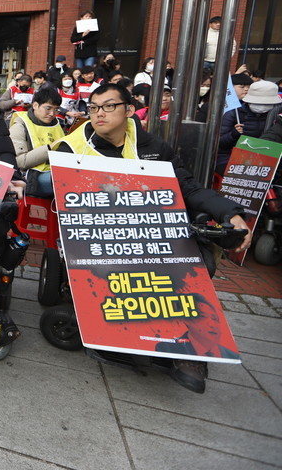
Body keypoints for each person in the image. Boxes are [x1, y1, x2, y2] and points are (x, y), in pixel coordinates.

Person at [54, 83, 250, 393]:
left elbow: (189, 188)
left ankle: (185, 349)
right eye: (93, 108)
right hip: (101, 236)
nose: (99, 113)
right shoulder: (72, 147)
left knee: (198, 262)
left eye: (108, 106)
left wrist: (231, 212)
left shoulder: (154, 148)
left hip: (150, 233)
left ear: (129, 110)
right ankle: (117, 331)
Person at [217, 80, 282, 174]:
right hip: (230, 157)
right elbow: (219, 142)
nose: (262, 106)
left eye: (267, 104)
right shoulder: (234, 114)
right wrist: (233, 134)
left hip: (264, 159)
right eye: (258, 102)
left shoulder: (276, 116)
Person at [10, 87, 64, 197]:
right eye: (48, 108)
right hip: (32, 177)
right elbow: (20, 162)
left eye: (56, 110)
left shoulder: (56, 124)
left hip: (57, 171)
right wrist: (49, 148)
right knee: (66, 181)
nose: (52, 113)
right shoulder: (20, 125)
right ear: (35, 105)